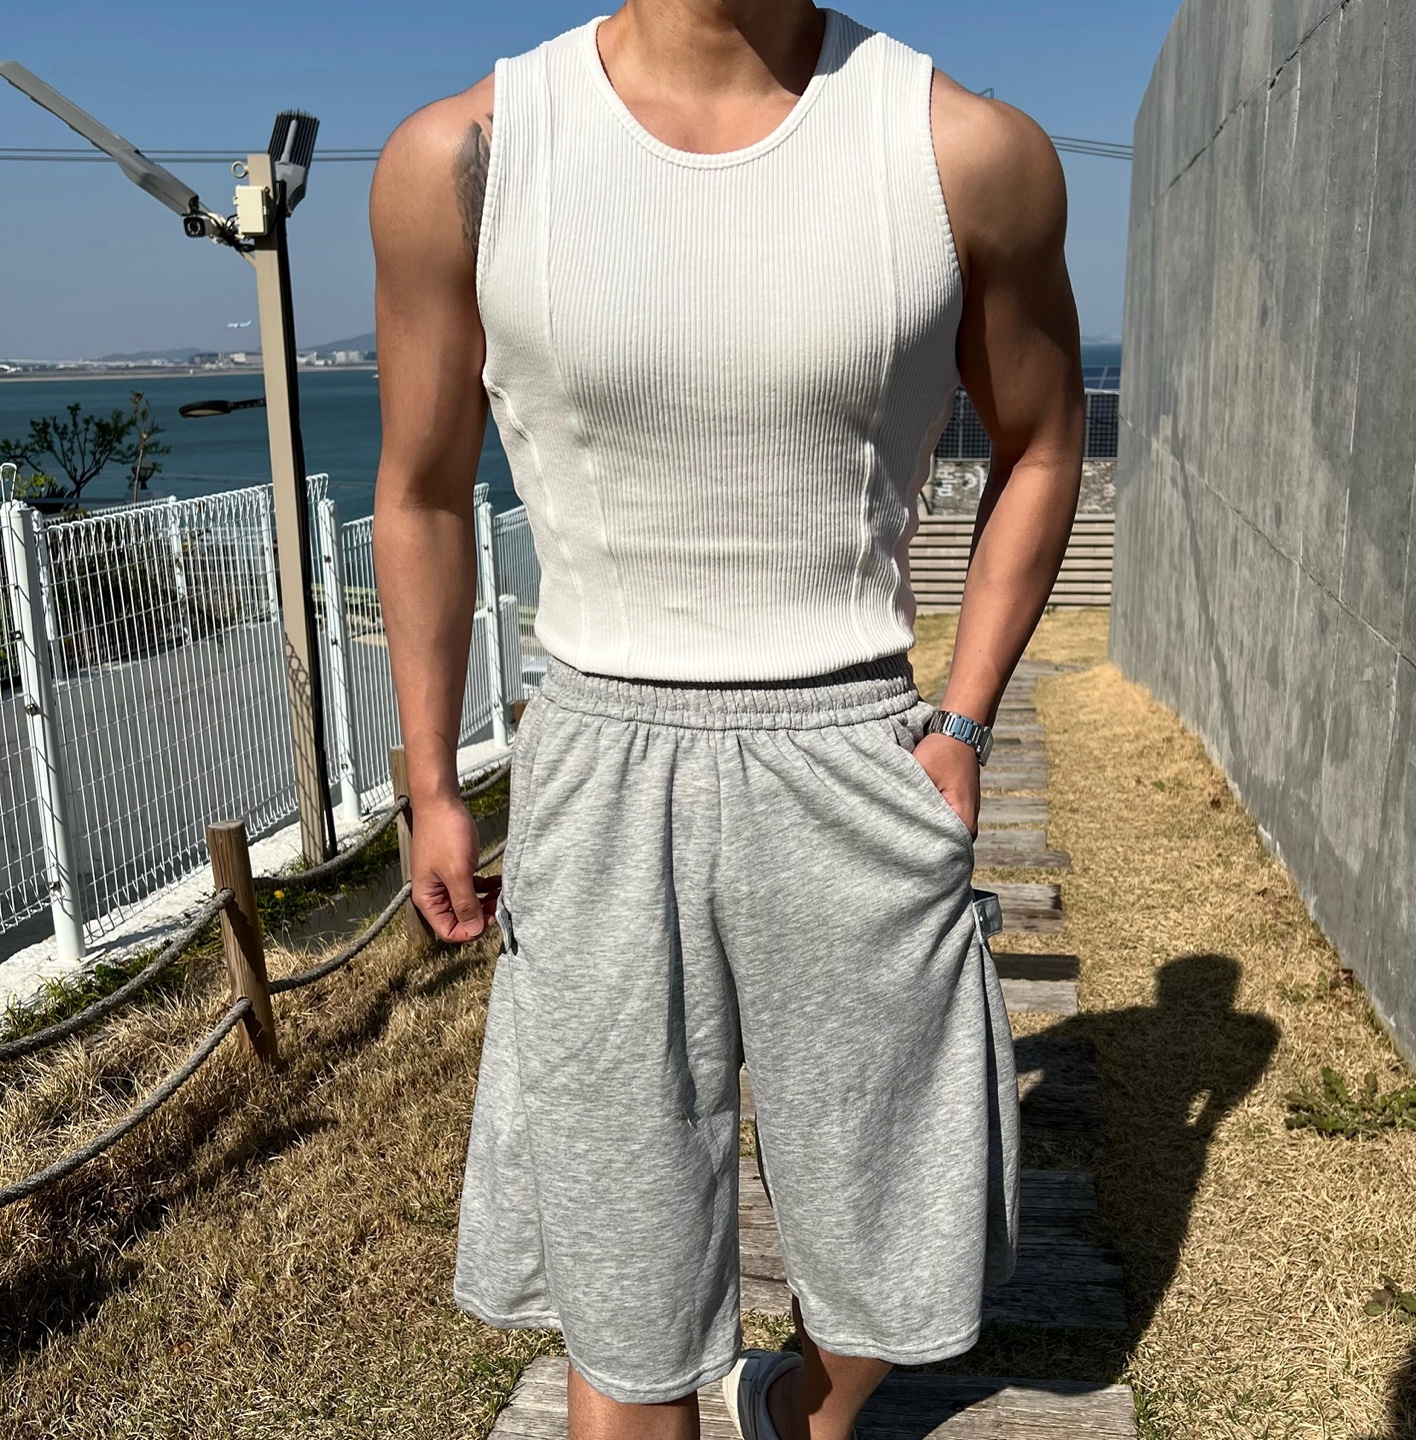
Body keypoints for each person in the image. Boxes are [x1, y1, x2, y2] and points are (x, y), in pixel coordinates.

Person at [370, 2, 1083, 1436]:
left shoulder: (963, 151)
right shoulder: (468, 156)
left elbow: (1043, 443)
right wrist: (432, 779)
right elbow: (424, 486)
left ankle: (805, 1405)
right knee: (625, 1301)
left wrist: (962, 723)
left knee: (896, 1234)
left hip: (855, 750)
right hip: (601, 762)